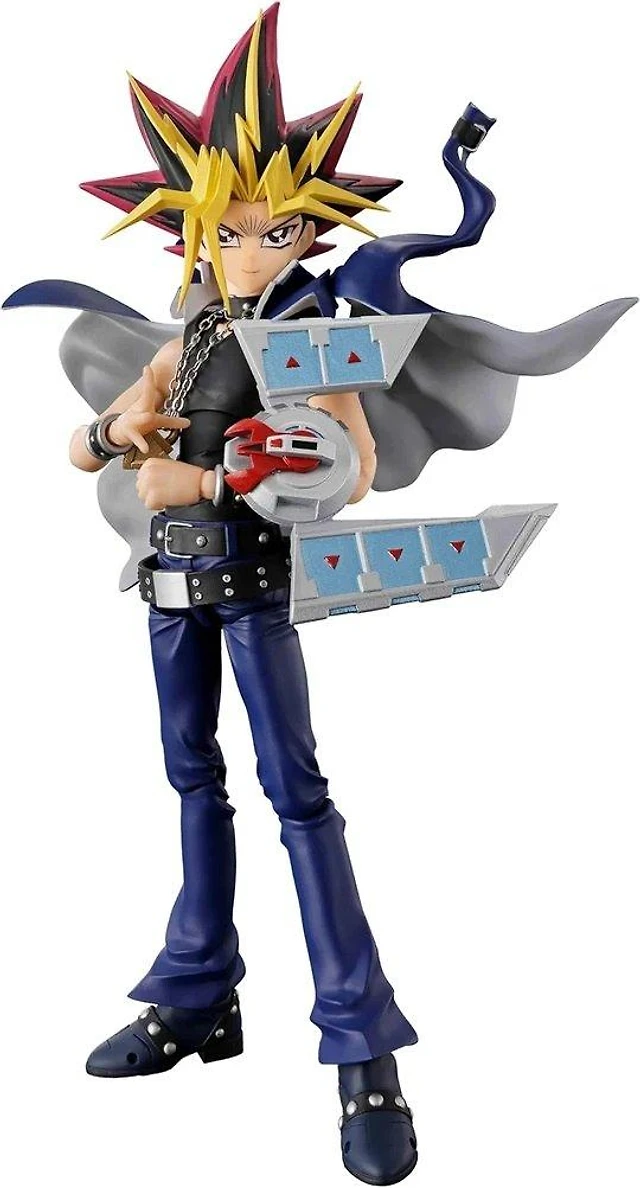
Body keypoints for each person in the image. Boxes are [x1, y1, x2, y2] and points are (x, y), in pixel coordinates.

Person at [3, 6, 634, 1185]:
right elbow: (85, 448)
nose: (252, 246)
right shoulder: (194, 328)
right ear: (194, 225)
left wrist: (216, 475)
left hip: (252, 583)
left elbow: (348, 464)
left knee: (298, 797)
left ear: (311, 227)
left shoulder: (318, 334)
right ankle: (198, 991)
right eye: (230, 225)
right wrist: (115, 433)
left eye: (278, 226)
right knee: (189, 778)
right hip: (169, 585)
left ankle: (362, 1046)